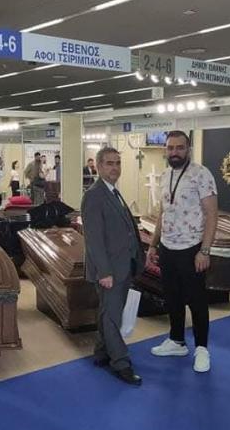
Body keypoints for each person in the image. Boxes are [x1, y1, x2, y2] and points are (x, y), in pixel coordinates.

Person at [147, 130, 218, 373]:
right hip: (168, 247)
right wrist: (153, 244)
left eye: (179, 147)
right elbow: (163, 212)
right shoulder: (165, 175)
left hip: (192, 248)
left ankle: (202, 349)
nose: (174, 152)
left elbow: (212, 215)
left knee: (197, 301)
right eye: (170, 148)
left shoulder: (201, 174)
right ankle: (177, 340)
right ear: (165, 150)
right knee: (172, 297)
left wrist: (205, 251)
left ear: (188, 149)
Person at [81, 147, 145, 386]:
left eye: (118, 163)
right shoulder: (94, 195)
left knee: (107, 312)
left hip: (124, 265)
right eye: (109, 163)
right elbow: (94, 239)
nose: (115, 168)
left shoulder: (113, 192)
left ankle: (101, 352)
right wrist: (105, 272)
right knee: (112, 318)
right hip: (110, 270)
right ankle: (121, 362)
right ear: (98, 166)